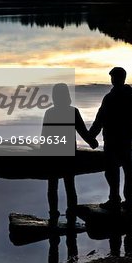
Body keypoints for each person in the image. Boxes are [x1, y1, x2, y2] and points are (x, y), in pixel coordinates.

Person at [42, 83, 98, 225]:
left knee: (52, 186)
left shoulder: (50, 112)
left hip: (53, 154)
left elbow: (45, 136)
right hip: (68, 155)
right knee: (69, 185)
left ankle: (53, 215)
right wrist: (92, 142)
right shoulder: (73, 112)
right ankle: (71, 214)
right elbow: (83, 132)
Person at [89, 67, 132, 212]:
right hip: (126, 141)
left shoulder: (110, 98)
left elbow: (99, 120)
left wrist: (90, 137)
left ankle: (115, 199)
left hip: (113, 140)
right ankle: (129, 200)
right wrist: (130, 136)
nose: (112, 80)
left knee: (113, 171)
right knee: (128, 169)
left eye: (113, 77)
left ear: (118, 78)